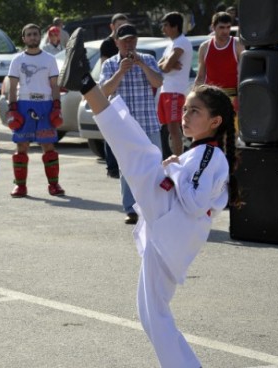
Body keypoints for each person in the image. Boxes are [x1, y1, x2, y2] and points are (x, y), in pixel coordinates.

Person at [58, 27, 241, 368]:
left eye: (194, 112)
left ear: (215, 121)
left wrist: (171, 171)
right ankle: (85, 81)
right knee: (150, 314)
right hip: (170, 231)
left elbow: (195, 201)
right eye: (185, 110)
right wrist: (175, 167)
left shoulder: (208, 155)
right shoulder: (201, 154)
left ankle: (85, 82)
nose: (185, 117)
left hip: (173, 225)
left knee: (139, 153)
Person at [99, 23, 163, 224]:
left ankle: (153, 206)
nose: (129, 44)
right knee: (127, 169)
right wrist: (120, 72)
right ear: (116, 42)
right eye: (125, 40)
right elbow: (104, 92)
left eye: (132, 39)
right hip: (124, 126)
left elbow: (158, 83)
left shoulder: (149, 59)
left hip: (148, 122)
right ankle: (131, 209)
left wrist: (142, 65)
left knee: (154, 166)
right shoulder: (109, 64)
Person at [6, 23, 65, 197]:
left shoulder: (49, 59)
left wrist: (56, 106)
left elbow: (55, 86)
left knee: (48, 145)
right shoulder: (17, 60)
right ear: (23, 38)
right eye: (29, 34)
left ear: (40, 37)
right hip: (24, 104)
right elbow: (12, 87)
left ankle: (54, 185)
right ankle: (20, 186)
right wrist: (13, 109)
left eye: (35, 34)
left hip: (45, 105)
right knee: (21, 146)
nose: (32, 37)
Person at [195, 11, 244, 133]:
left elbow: (243, 74)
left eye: (228, 27)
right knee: (213, 135)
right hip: (211, 97)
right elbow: (200, 76)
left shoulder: (237, 44)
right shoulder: (205, 47)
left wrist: (240, 96)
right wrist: (194, 98)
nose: (225, 31)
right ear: (213, 27)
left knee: (232, 137)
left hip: (232, 96)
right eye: (221, 27)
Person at [158, 12, 193, 157]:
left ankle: (178, 160)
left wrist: (167, 65)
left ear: (175, 26)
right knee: (170, 129)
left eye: (166, 25)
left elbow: (165, 67)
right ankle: (176, 157)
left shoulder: (181, 42)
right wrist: (167, 64)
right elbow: (159, 65)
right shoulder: (171, 44)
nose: (163, 29)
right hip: (166, 90)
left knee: (174, 128)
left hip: (176, 91)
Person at [99, 13, 129, 179]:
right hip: (112, 86)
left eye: (125, 24)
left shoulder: (130, 43)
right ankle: (112, 166)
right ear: (112, 27)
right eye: (119, 25)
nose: (122, 28)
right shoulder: (107, 44)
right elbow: (104, 65)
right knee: (111, 131)